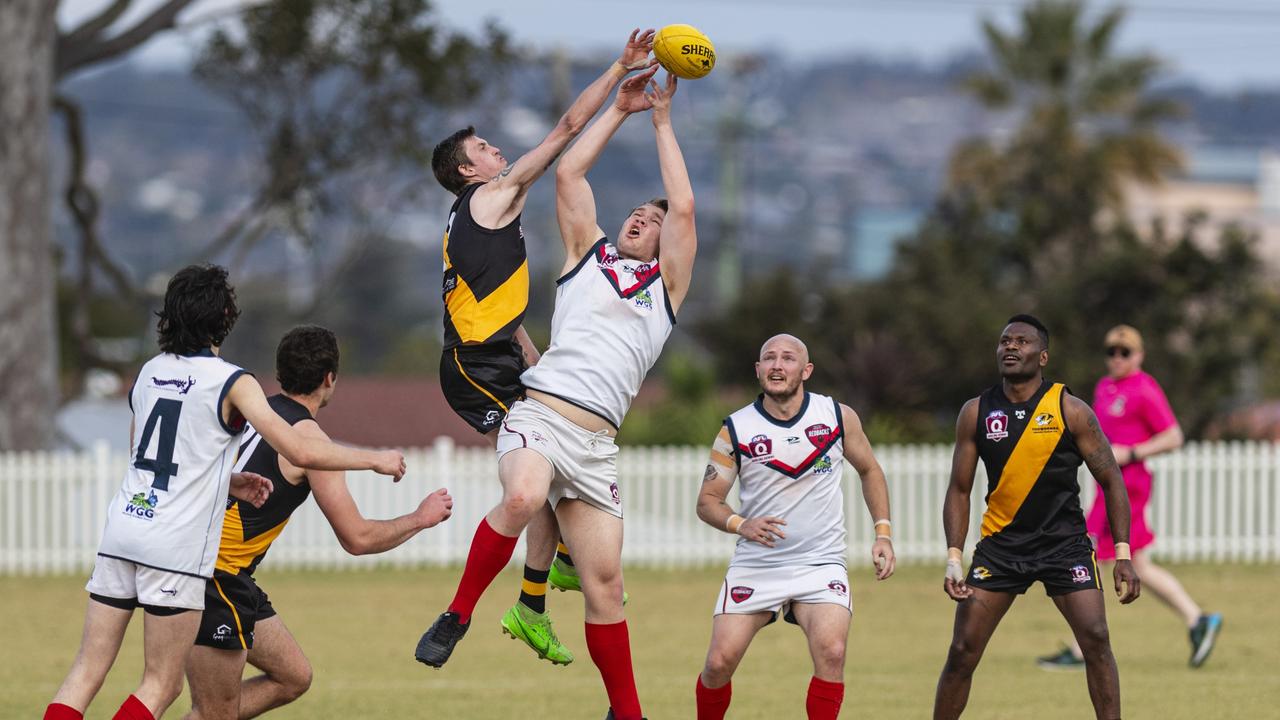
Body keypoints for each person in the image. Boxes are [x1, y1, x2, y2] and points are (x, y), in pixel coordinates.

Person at [417, 68, 694, 720]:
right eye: (635, 210)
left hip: (597, 448)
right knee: (522, 495)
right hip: (539, 415)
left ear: (665, 244)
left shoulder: (668, 289)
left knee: (607, 589)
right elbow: (569, 174)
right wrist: (620, 111)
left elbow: (684, 207)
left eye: (650, 219)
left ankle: (627, 713)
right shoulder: (586, 255)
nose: (640, 218)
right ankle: (457, 614)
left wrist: (660, 120)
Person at [44, 265, 405, 720]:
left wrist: (226, 480)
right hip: (173, 547)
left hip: (123, 528)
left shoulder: (150, 371)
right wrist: (374, 459)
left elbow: (147, 455)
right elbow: (297, 447)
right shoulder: (233, 381)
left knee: (85, 671)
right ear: (226, 317)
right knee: (160, 685)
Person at [183, 326, 453, 720]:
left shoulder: (250, 412)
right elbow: (357, 538)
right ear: (330, 378)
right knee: (214, 714)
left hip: (212, 567)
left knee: (293, 675)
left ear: (280, 373)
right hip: (213, 575)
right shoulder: (311, 442)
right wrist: (420, 518)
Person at [933, 315, 1141, 720]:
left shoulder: (1070, 409)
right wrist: (954, 559)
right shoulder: (976, 412)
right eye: (1004, 341)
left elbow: (1112, 480)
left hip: (1065, 546)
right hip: (1001, 549)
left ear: (1042, 356)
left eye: (1022, 342)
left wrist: (1123, 555)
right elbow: (959, 489)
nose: (1010, 347)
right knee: (962, 651)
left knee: (1096, 638)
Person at [693, 334, 896, 720]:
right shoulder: (736, 429)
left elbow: (870, 470)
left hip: (820, 563)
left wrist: (882, 534)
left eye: (788, 358)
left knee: (832, 652)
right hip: (758, 565)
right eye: (768, 358)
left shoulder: (836, 416)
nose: (777, 365)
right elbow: (708, 502)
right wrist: (741, 524)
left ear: (806, 371)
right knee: (719, 663)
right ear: (758, 370)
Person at [1037, 324, 1221, 670]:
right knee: (1129, 564)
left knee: (1090, 559)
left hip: (1129, 487)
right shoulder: (1105, 388)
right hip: (1105, 486)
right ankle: (1198, 620)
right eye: (1112, 352)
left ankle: (1084, 650)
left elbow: (1173, 436)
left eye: (1125, 352)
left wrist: (1132, 453)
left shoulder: (1144, 389)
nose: (1117, 358)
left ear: (1139, 355)